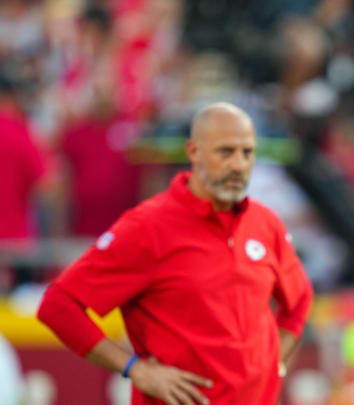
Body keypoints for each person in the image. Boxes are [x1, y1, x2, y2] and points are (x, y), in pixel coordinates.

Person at [37, 102, 314, 405]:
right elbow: (58, 306)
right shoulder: (147, 227)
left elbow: (299, 299)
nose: (238, 164)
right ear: (193, 152)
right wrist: (135, 369)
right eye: (226, 152)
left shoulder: (265, 223)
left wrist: (273, 363)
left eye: (247, 153)